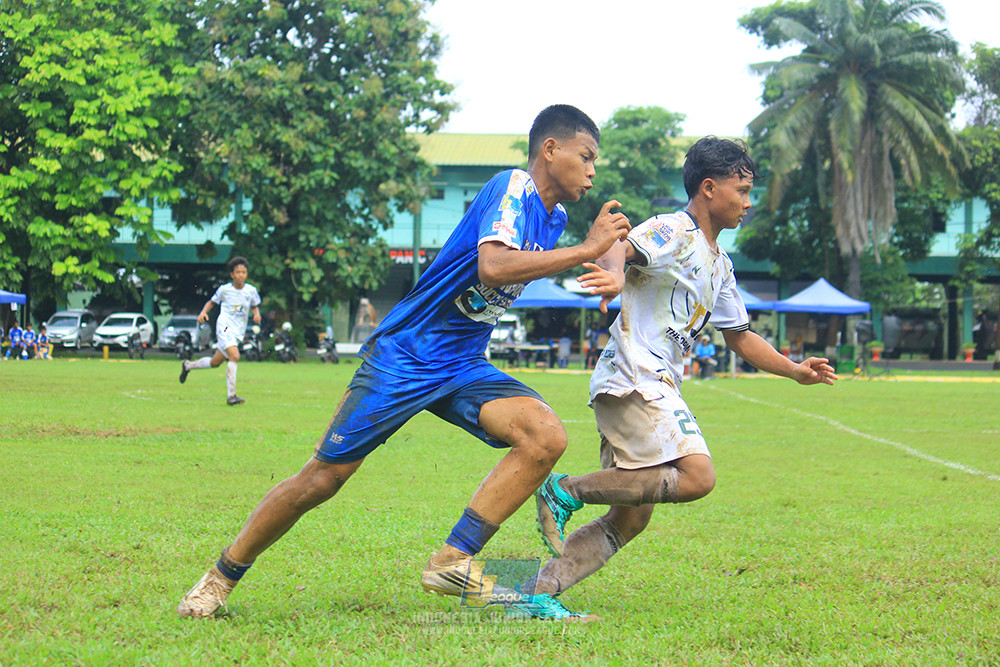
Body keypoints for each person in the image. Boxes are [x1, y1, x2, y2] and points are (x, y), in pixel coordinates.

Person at [177, 104, 631, 621]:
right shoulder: (514, 188)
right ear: (551, 150)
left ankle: (451, 561)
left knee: (546, 436)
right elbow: (495, 265)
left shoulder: (553, 219)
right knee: (321, 480)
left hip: (461, 361)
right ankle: (218, 579)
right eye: (586, 156)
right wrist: (585, 250)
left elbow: (617, 243)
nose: (593, 170)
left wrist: (609, 263)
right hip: (408, 353)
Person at [525, 137, 838, 619]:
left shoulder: (720, 263)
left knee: (630, 518)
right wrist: (611, 274)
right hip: (635, 373)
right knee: (697, 476)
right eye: (743, 189)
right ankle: (566, 490)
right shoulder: (674, 229)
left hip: (649, 381)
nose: (749, 203)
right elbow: (619, 250)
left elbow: (741, 336)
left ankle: (534, 593)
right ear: (710, 188)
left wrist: (795, 370)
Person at [179, 256, 261, 406]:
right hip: (224, 326)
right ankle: (231, 396)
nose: (241, 275)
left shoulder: (251, 290)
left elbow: (255, 305)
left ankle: (188, 366)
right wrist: (204, 312)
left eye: (243, 272)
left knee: (215, 362)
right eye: (238, 272)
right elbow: (211, 302)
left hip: (238, 331)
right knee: (234, 356)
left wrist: (256, 314)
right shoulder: (225, 290)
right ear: (232, 274)